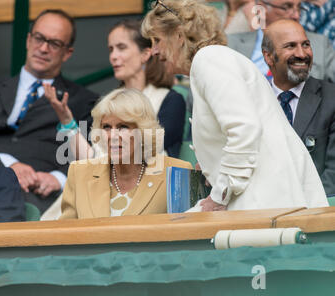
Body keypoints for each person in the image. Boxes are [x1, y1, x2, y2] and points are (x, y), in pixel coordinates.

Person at [141, 0, 328, 211]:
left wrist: (220, 195)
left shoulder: (209, 59)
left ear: (178, 36)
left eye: (157, 40)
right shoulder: (215, 59)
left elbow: (244, 129)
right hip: (269, 205)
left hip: (267, 207)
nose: (154, 51)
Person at [0, 9, 99, 214]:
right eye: (39, 38)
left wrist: (59, 178)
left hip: (37, 195)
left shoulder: (84, 101)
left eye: (54, 43)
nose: (43, 48)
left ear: (67, 53)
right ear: (28, 40)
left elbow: (91, 155)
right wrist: (8, 167)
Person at [46, 19, 186, 159]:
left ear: (145, 54)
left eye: (121, 47)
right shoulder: (108, 103)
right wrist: (67, 121)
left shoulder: (171, 100)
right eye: (111, 49)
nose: (113, 56)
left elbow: (149, 152)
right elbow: (93, 161)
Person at [59, 88, 192, 219]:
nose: (113, 136)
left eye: (123, 127)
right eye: (106, 127)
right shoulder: (79, 173)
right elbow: (66, 234)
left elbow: (188, 233)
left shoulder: (178, 173)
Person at [262, 19, 335, 195]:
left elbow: (333, 176)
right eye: (290, 46)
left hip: (315, 210)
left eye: (306, 45)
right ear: (268, 56)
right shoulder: (253, 100)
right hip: (260, 208)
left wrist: (300, 210)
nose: (302, 54)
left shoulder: (331, 99)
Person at [227, 0, 335, 82]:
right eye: (286, 7)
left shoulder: (320, 45)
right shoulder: (231, 44)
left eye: (299, 8)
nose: (296, 15)